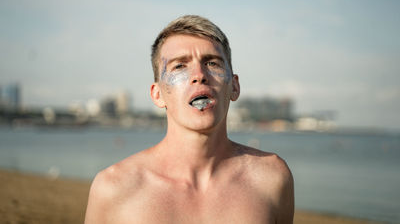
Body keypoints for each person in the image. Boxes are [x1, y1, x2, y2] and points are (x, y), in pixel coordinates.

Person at [85, 15, 294, 224]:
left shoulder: (272, 178)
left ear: (235, 86)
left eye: (212, 63)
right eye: (179, 66)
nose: (199, 75)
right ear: (157, 94)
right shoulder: (114, 188)